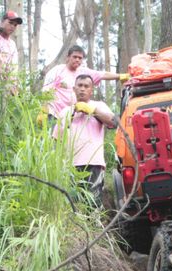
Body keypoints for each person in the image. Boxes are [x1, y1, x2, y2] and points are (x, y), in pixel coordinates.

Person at [53, 74, 117, 204]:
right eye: (80, 86)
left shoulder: (99, 106)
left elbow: (114, 122)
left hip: (93, 163)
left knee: (93, 202)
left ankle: (95, 224)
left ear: (91, 90)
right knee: (74, 203)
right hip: (70, 166)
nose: (82, 89)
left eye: (86, 86)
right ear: (74, 88)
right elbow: (56, 141)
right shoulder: (65, 112)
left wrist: (91, 111)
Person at [42, 45, 129, 120]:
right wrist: (44, 110)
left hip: (72, 115)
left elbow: (102, 74)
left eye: (80, 58)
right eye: (74, 57)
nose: (77, 60)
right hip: (54, 114)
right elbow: (46, 90)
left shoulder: (83, 71)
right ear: (68, 57)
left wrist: (120, 76)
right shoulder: (57, 71)